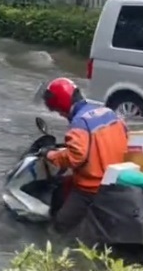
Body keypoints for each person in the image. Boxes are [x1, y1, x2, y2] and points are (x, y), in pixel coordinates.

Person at [40, 77, 129, 233]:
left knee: (58, 226)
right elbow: (123, 136)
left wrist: (51, 155)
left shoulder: (79, 123)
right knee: (64, 185)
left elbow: (76, 157)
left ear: (61, 104)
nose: (60, 115)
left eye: (58, 111)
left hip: (91, 188)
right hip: (115, 180)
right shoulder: (108, 112)